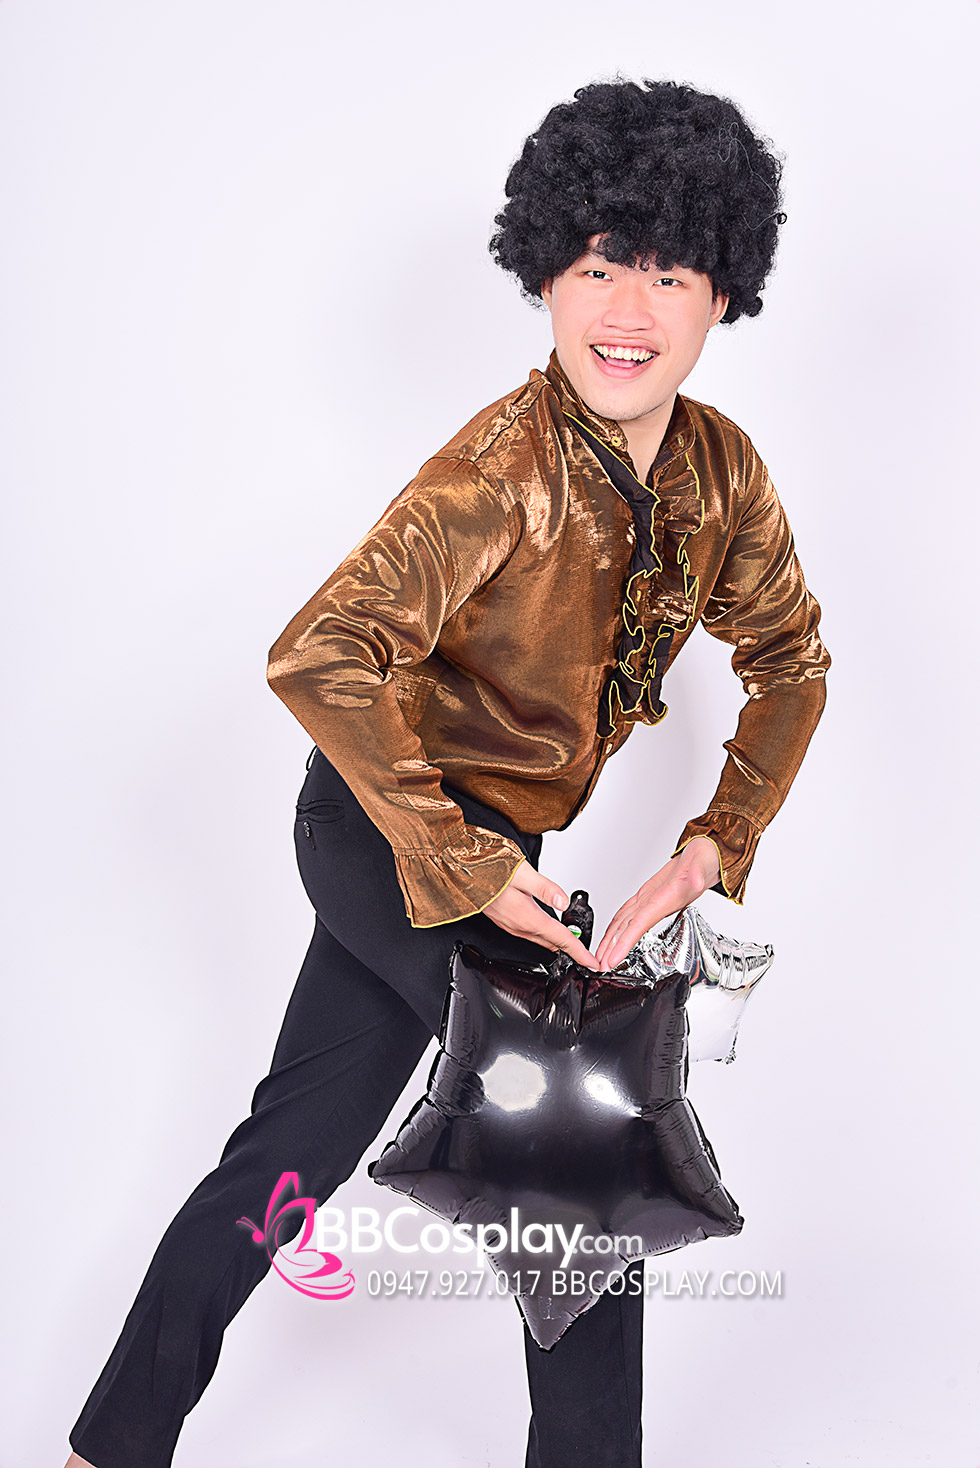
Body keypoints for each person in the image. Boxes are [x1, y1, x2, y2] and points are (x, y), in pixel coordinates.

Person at [65, 76, 829, 1468]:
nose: (629, 309)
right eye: (598, 266)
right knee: (589, 1142)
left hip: (490, 851)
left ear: (724, 294)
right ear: (545, 277)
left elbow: (792, 661)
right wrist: (465, 862)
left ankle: (106, 1447)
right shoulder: (501, 465)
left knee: (286, 1161)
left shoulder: (723, 474)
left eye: (670, 273)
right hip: (383, 823)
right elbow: (320, 653)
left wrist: (716, 842)